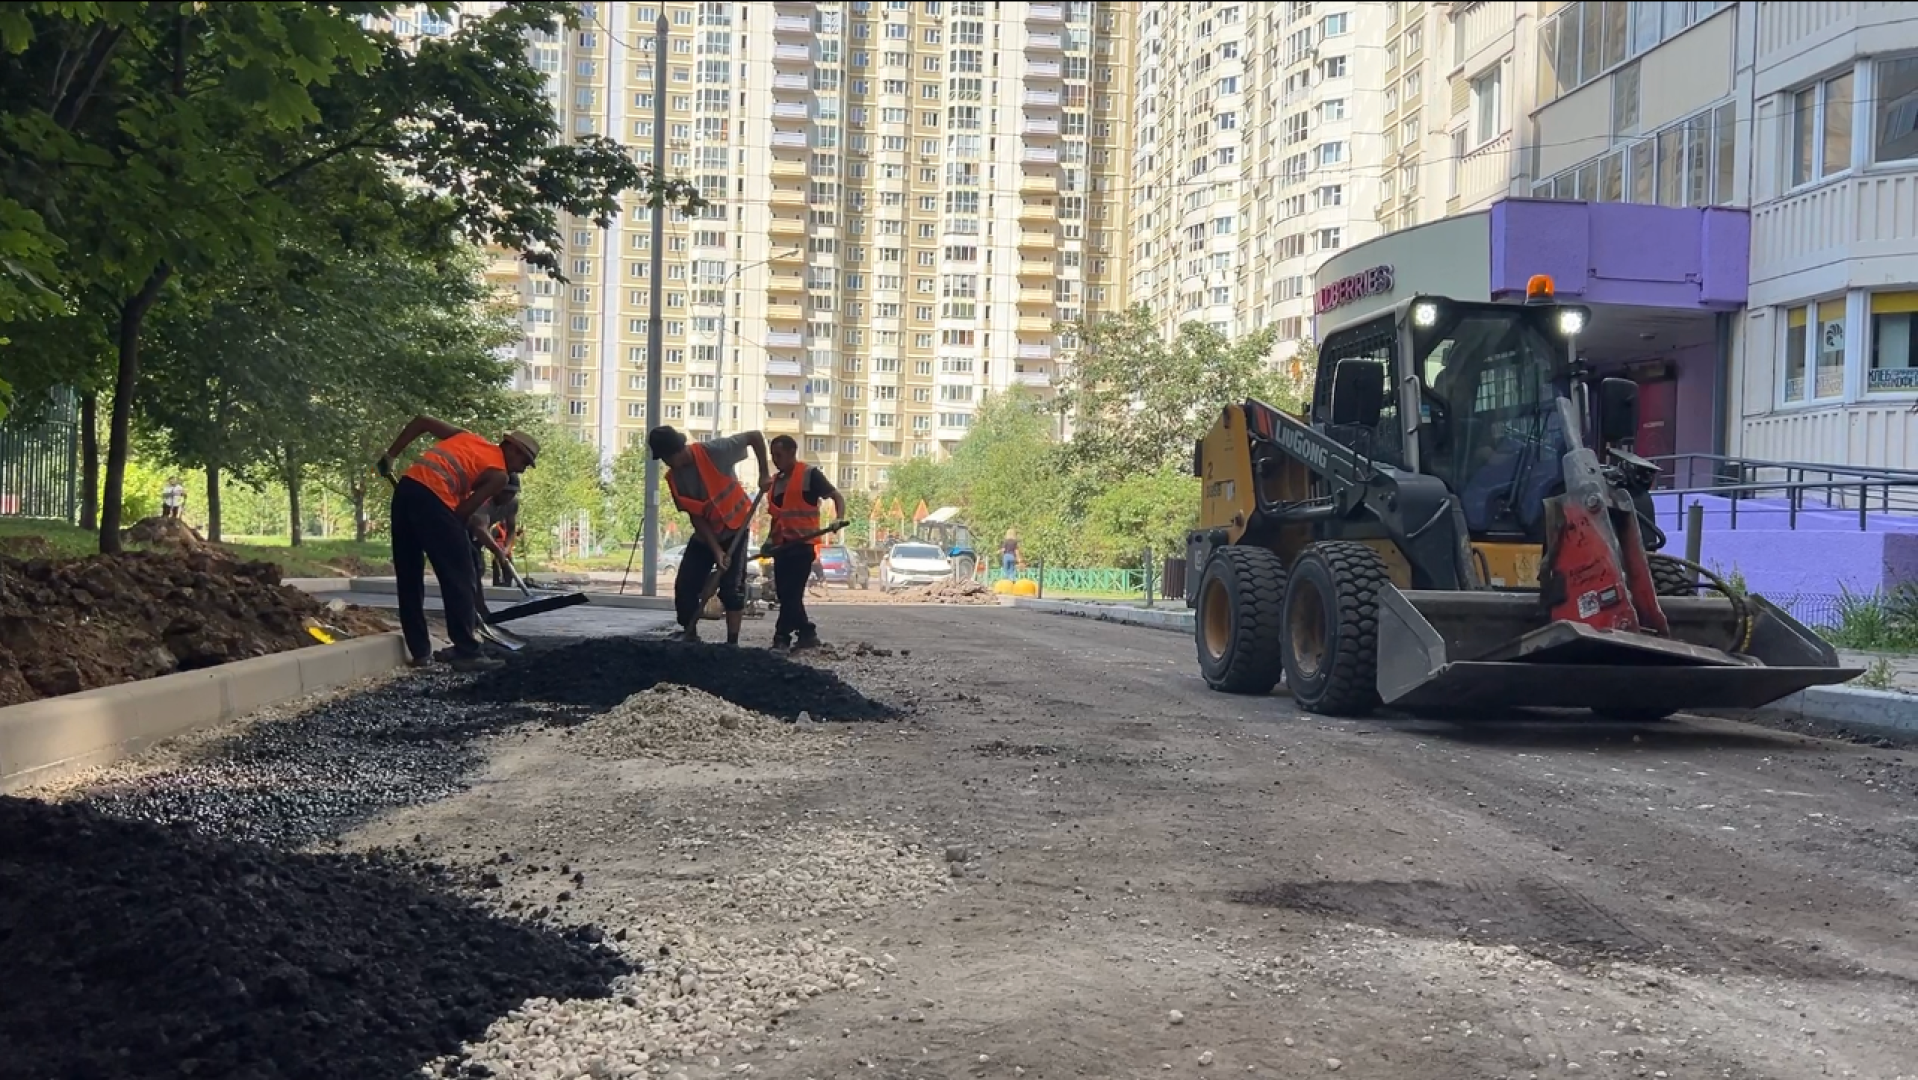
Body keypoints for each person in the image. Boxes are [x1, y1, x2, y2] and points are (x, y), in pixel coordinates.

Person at [379, 417, 540, 671]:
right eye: (524, 462)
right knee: (461, 575)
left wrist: (391, 455)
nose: (521, 470)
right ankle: (467, 651)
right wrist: (459, 535)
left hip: (407, 491)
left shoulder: (467, 437)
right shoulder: (499, 475)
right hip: (435, 500)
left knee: (409, 574)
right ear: (512, 449)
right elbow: (463, 512)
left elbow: (421, 421)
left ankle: (420, 652)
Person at [649, 424, 772, 645]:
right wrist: (716, 550)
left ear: (677, 450)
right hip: (706, 535)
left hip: (735, 528)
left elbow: (754, 436)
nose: (666, 463)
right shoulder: (675, 479)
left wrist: (764, 472)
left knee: (732, 588)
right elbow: (697, 517)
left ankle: (732, 643)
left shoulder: (714, 451)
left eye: (667, 457)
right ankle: (689, 634)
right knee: (686, 585)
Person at [765, 434, 847, 651]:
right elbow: (777, 517)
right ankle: (807, 633)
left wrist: (838, 519)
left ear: (792, 452)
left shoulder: (810, 475)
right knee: (785, 594)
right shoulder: (775, 482)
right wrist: (768, 541)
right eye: (773, 455)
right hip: (782, 547)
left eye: (779, 455)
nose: (775, 460)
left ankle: (781, 637)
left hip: (802, 546)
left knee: (792, 593)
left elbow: (837, 497)